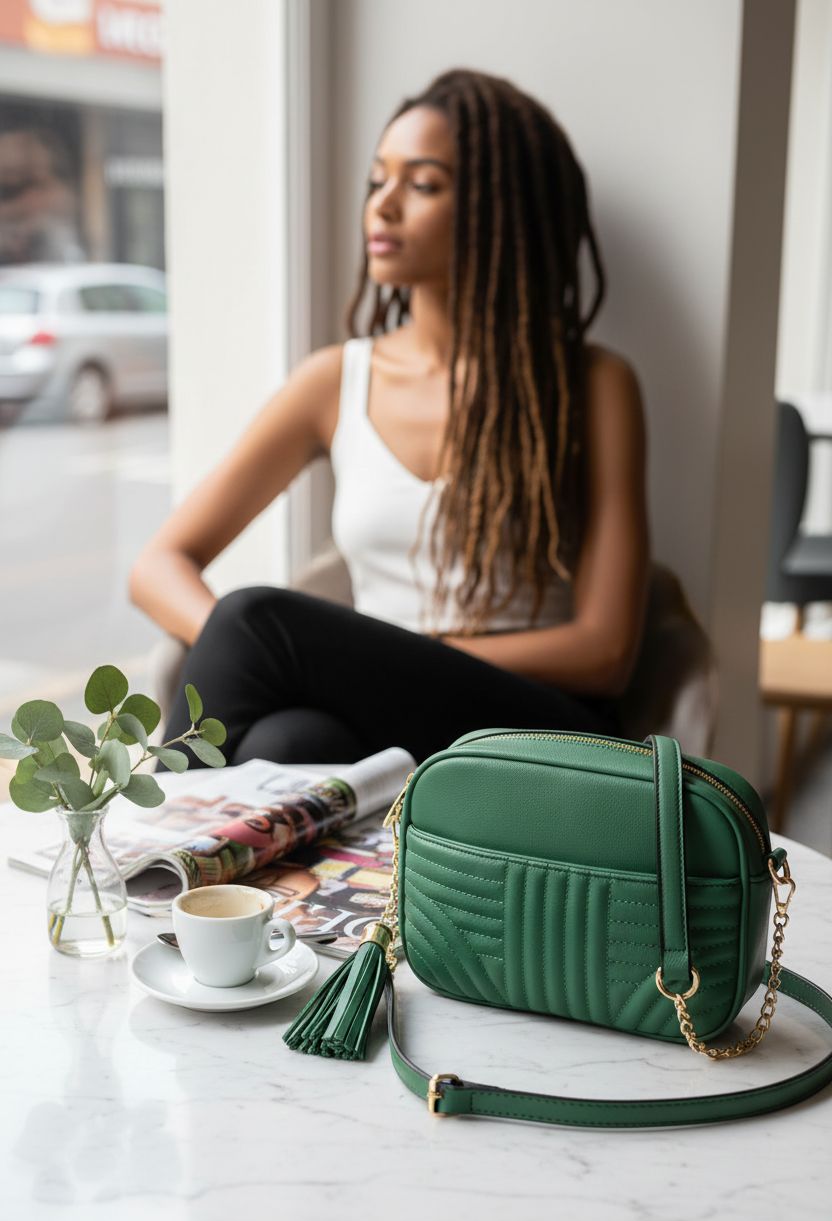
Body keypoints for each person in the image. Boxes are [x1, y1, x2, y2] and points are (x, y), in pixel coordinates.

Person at [129, 67, 650, 768]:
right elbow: (158, 565)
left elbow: (607, 652)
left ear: (499, 210)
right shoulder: (335, 381)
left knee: (258, 619)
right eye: (378, 180)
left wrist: (386, 655)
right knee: (292, 741)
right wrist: (263, 656)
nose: (384, 205)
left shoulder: (592, 384)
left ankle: (149, 853)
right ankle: (190, 866)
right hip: (380, 715)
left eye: (424, 184)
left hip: (540, 726)